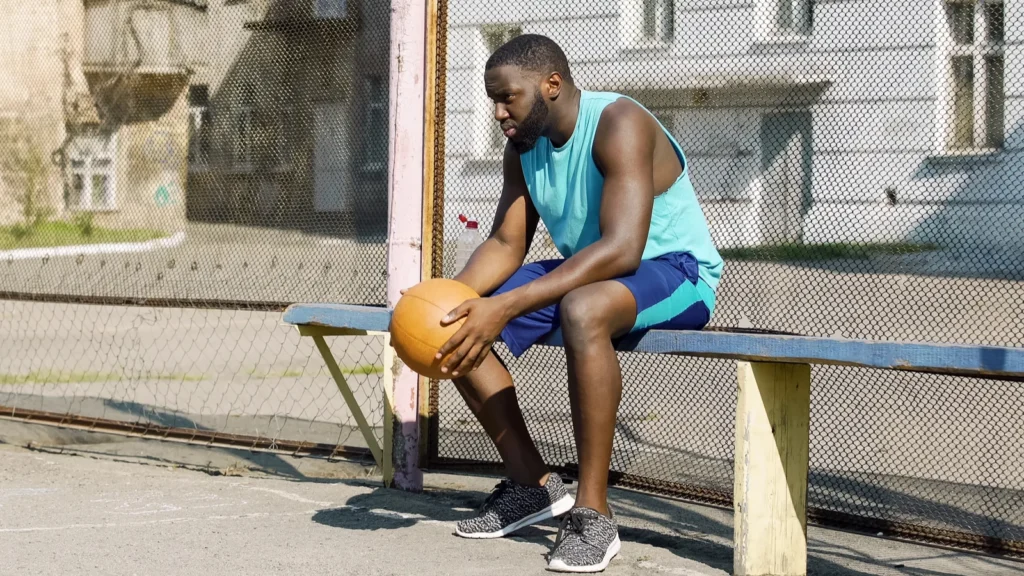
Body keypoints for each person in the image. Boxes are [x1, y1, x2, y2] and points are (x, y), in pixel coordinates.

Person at [433, 34, 723, 573]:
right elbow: (505, 243)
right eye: (494, 100)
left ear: (552, 85)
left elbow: (622, 248)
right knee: (455, 319)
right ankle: (530, 484)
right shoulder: (523, 145)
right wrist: (446, 300)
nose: (498, 113)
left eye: (508, 98)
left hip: (674, 270)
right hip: (594, 270)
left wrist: (510, 304)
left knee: (582, 309)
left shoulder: (619, 122)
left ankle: (593, 513)